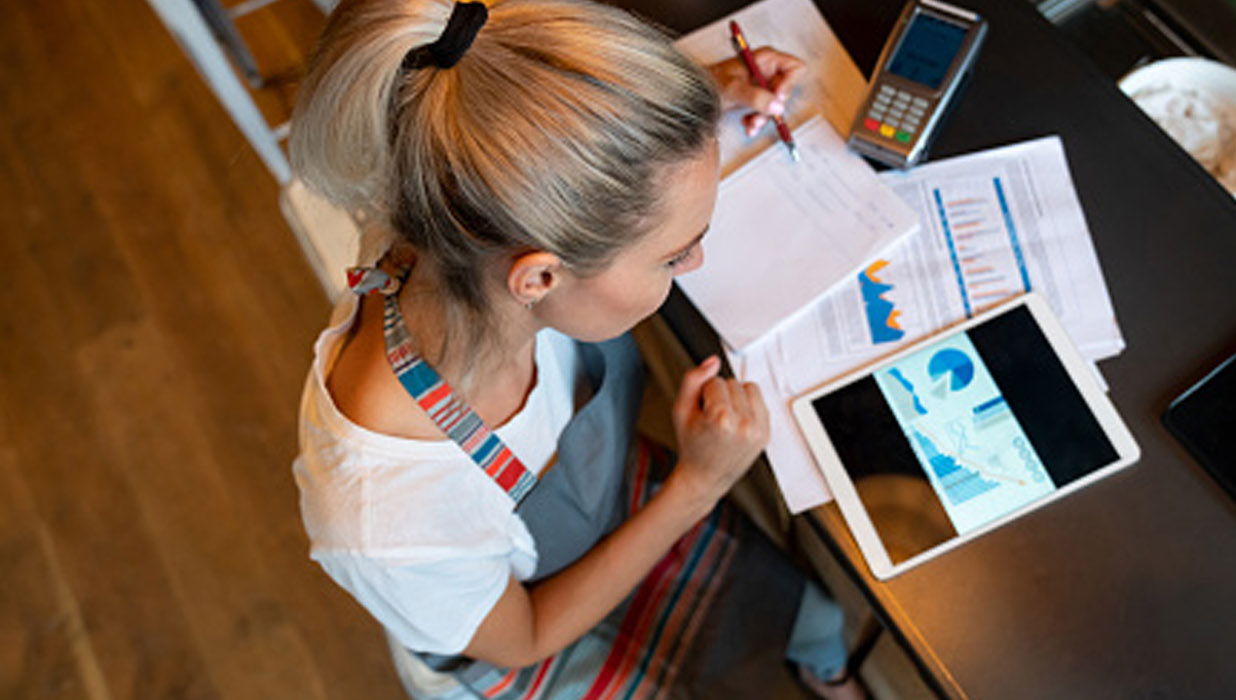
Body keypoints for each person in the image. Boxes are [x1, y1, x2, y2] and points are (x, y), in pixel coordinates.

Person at [289, 1, 863, 697]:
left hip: (609, 503)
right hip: (530, 636)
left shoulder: (463, 224)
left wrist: (702, 95)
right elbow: (524, 639)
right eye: (674, 254)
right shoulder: (389, 514)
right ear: (538, 277)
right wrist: (698, 486)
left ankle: (824, 669)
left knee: (810, 613)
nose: (697, 261)